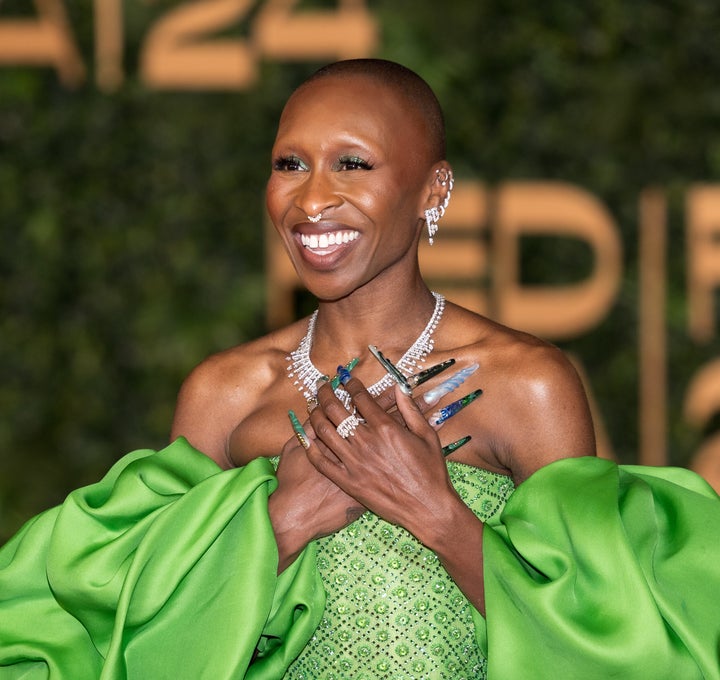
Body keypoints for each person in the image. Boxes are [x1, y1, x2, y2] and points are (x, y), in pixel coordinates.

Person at [1, 59, 719, 680]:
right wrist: (279, 525)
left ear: (433, 191)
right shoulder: (226, 392)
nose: (312, 200)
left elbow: (601, 642)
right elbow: (144, 642)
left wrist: (436, 513)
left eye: (353, 163)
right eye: (290, 164)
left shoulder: (524, 384)